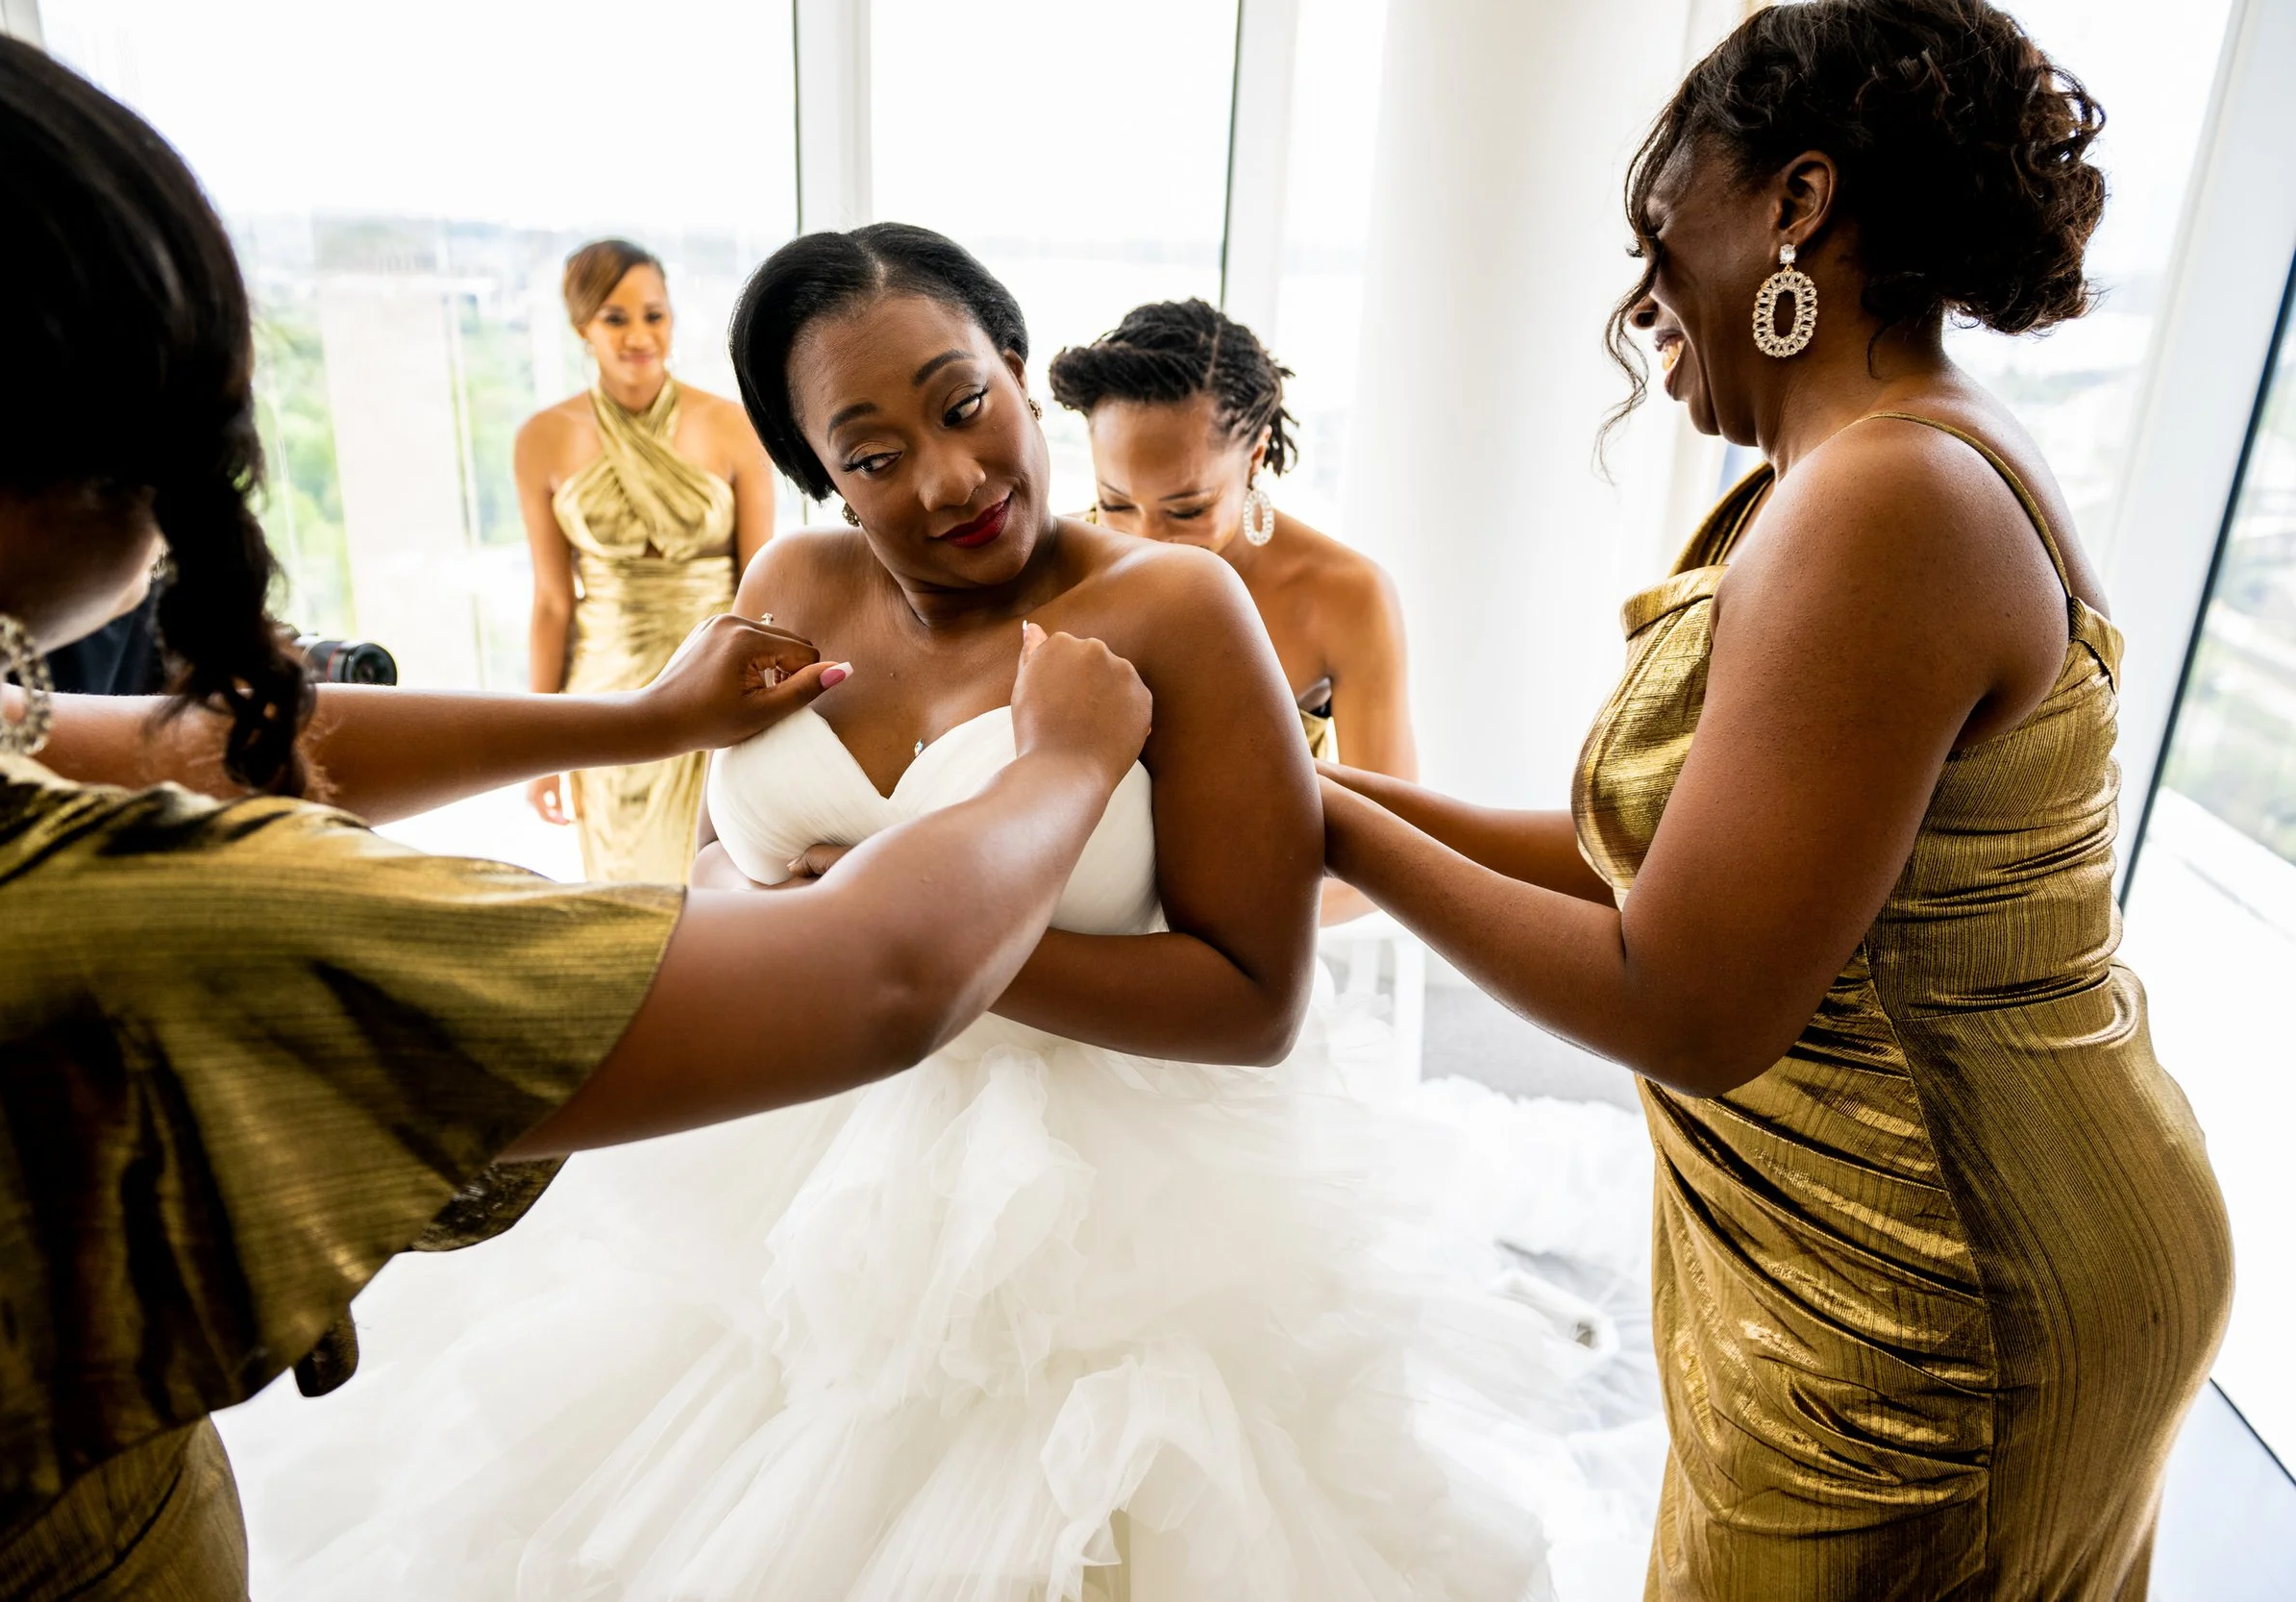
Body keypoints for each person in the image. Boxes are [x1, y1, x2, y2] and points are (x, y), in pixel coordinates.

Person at [0, 21, 1154, 1600]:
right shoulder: (129, 919)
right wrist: (1061, 767)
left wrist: (641, 718)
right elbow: (883, 974)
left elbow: (179, 740)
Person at [246, 225, 1648, 1602]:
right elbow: (726, 867)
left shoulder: (1173, 606)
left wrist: (902, 942)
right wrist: (790, 912)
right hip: (771, 1183)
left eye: (965, 405)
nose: (950, 477)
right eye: (873, 453)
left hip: (1092, 1225)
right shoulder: (793, 588)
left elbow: (1255, 997)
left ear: (1019, 369)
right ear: (817, 478)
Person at [1312, 3, 2234, 1596]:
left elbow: (1690, 995)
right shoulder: (1894, 464)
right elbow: (1653, 871)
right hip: (1987, 1211)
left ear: (1796, 206)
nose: (1639, 297)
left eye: (1655, 228)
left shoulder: (1886, 503)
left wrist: (1329, 831)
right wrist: (1341, 786)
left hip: (1943, 1282)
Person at [1050, 301, 1415, 922]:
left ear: (1254, 458)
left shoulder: (1347, 597)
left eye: (1186, 509)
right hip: (1066, 905)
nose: (1143, 539)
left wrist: (1236, 933)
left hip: (1247, 929)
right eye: (1114, 503)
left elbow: (1401, 852)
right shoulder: (1055, 568)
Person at [519, 237, 778, 882]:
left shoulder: (731, 426)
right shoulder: (542, 439)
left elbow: (762, 586)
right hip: (605, 700)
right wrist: (538, 745)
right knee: (627, 894)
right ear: (583, 328)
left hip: (713, 683)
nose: (639, 334)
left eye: (654, 314)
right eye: (616, 317)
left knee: (725, 880)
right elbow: (554, 601)